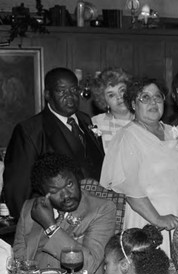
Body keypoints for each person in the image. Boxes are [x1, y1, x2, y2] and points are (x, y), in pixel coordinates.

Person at [100, 78, 178, 255]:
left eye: (158, 97)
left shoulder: (173, 132)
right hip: (151, 223)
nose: (153, 102)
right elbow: (129, 187)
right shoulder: (128, 137)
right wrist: (158, 219)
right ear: (133, 104)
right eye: (145, 97)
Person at [3, 67, 105, 220]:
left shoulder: (85, 120)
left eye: (73, 90)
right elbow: (18, 190)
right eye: (61, 91)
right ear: (48, 95)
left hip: (98, 214)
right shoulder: (30, 130)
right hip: (58, 221)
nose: (70, 96)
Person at [13, 153, 115, 274]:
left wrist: (50, 227)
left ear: (77, 178)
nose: (66, 195)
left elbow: (90, 265)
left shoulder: (101, 209)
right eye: (55, 191)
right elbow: (19, 262)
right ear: (43, 193)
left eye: (69, 184)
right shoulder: (29, 209)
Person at [90, 67, 134, 152]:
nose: (119, 97)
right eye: (111, 95)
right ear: (104, 101)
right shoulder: (96, 124)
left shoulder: (145, 120)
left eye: (122, 90)